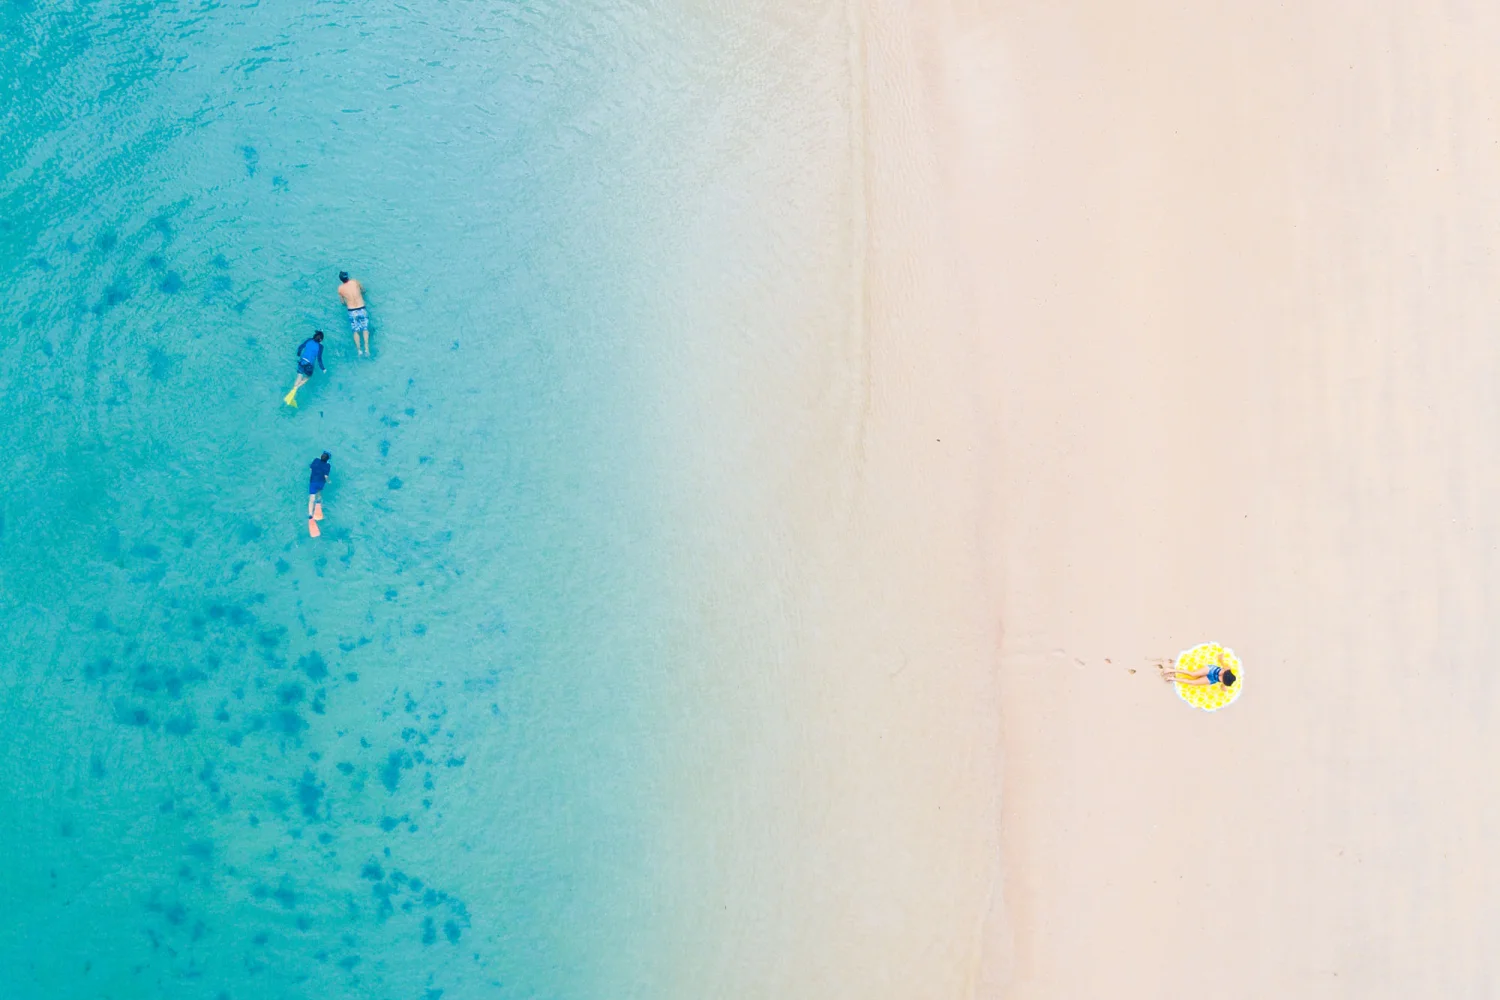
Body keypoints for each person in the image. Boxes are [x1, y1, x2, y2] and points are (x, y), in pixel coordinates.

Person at [284, 330, 325, 407]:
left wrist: (298, 353)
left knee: (299, 376)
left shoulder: (309, 340)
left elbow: (301, 347)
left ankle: (292, 392)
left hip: (301, 361)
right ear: (321, 340)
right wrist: (323, 368)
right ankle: (295, 389)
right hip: (308, 365)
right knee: (308, 376)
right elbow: (319, 359)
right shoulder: (320, 347)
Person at [1160, 649, 1238, 688]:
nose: (1221, 678)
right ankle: (1171, 670)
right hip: (1212, 670)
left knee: (1193, 683)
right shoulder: (1227, 668)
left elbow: (1222, 686)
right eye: (1222, 677)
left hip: (1212, 679)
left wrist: (1223, 688)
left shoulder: (1225, 682)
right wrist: (1221, 658)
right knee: (1192, 674)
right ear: (1226, 673)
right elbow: (1221, 661)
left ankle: (1173, 678)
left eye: (1222, 680)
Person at [338, 270, 369, 356]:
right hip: (361, 308)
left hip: (352, 310)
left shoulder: (340, 288)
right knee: (365, 329)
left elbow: (342, 303)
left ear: (341, 280)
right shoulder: (355, 282)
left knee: (355, 331)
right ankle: (366, 349)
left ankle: (359, 350)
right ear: (348, 276)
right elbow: (363, 290)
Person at [307, 451, 331, 537]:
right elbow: (326, 477)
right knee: (319, 492)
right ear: (328, 460)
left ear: (321, 456)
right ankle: (318, 503)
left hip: (313, 481)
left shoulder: (315, 460)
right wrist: (329, 481)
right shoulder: (328, 466)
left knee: (311, 499)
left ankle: (310, 516)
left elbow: (310, 468)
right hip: (320, 482)